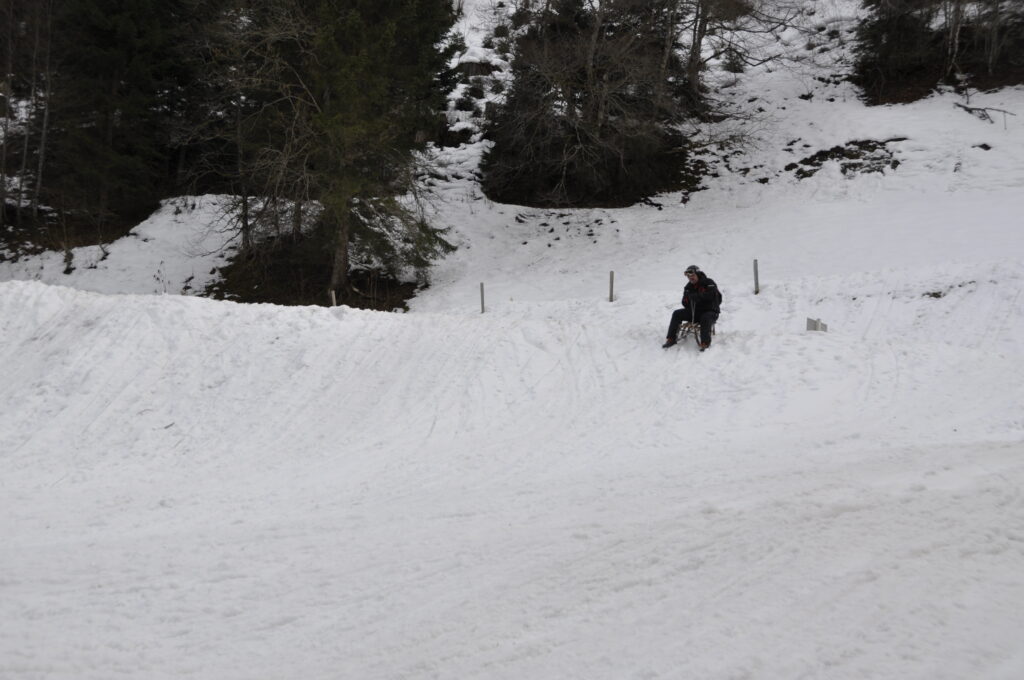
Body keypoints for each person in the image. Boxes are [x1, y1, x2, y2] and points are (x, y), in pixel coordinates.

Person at [663, 264, 721, 349]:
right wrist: (687, 300)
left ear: (698, 274)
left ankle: (705, 343)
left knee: (705, 317)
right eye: (689, 277)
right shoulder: (688, 287)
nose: (691, 278)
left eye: (693, 275)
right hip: (695, 313)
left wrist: (698, 296)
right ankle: (671, 339)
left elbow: (712, 296)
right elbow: (684, 303)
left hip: (710, 312)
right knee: (676, 313)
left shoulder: (709, 282)